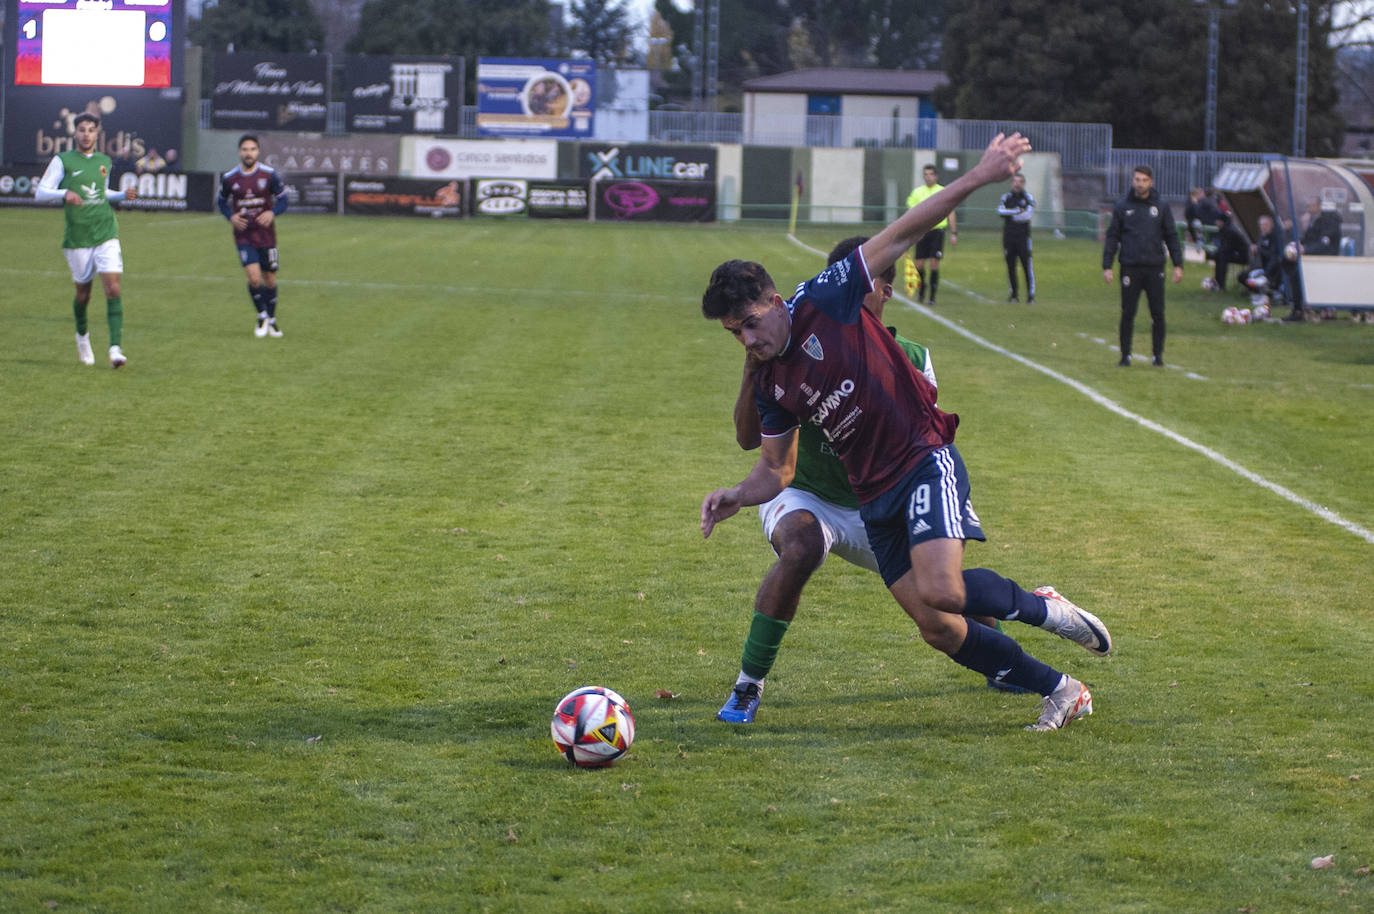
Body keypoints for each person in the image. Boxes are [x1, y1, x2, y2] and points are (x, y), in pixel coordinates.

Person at [701, 133, 1113, 733]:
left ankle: (1042, 607)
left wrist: (978, 176)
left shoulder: (827, 296)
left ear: (774, 299)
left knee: (943, 590)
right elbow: (776, 470)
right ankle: (1061, 690)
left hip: (922, 461)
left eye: (751, 324)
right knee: (936, 624)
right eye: (734, 333)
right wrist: (737, 495)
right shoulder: (770, 380)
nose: (747, 339)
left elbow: (905, 228)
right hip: (872, 496)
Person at [718, 236, 1023, 725]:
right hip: (806, 493)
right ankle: (747, 686)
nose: (865, 297)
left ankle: (1006, 659)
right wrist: (754, 364)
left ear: (884, 291)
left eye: (873, 287)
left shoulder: (912, 356)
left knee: (942, 597)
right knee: (800, 548)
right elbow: (750, 442)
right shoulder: (787, 352)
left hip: (878, 497)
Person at [33, 112, 138, 368]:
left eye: (91, 129)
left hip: (105, 232)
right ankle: (82, 337)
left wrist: (121, 195)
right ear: (75, 132)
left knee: (113, 288)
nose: (86, 134)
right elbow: (39, 193)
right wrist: (64, 193)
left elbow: (100, 193)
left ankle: (115, 350)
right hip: (78, 238)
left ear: (97, 133)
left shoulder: (104, 160)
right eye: (82, 129)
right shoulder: (63, 160)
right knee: (83, 295)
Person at [1102, 165, 1184, 367]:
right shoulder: (1122, 207)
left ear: (1151, 182)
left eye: (1144, 180)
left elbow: (1171, 236)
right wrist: (1107, 265)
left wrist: (1177, 264)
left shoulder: (1161, 207)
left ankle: (1158, 356)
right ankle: (1125, 356)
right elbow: (1113, 236)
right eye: (1137, 179)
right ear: (1133, 181)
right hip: (1130, 267)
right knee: (1128, 312)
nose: (1140, 183)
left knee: (1158, 313)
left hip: (1155, 267)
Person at [218, 135, 288, 338]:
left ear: (258, 151)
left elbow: (284, 200)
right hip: (244, 234)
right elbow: (221, 202)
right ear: (240, 152)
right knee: (254, 277)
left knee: (270, 278)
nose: (249, 153)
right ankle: (261, 314)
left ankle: (272, 320)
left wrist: (272, 212)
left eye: (252, 149)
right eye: (245, 149)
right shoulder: (230, 178)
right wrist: (230, 216)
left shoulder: (269, 174)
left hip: (267, 235)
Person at [905, 165, 956, 305]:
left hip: (937, 231)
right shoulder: (917, 192)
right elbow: (911, 212)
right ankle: (922, 291)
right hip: (922, 231)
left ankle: (932, 297)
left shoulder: (942, 191)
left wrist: (954, 232)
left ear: (936, 176)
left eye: (931, 174)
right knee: (919, 264)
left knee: (934, 263)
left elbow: (950, 211)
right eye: (925, 174)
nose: (928, 177)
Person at [997, 172, 1035, 303]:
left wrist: (1013, 214)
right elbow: (1000, 211)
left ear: (1023, 184)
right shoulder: (1006, 197)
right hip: (1009, 237)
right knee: (1010, 266)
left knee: (1026, 266)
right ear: (1011, 183)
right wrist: (1017, 211)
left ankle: (1030, 295)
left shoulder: (1028, 197)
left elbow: (1028, 215)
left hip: (1023, 238)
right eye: (1014, 181)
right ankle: (1014, 294)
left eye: (1019, 181)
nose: (1016, 184)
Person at [1209, 214, 1250, 292]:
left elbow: (1228, 248)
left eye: (1217, 221)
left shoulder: (1229, 231)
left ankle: (1221, 284)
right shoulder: (1224, 230)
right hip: (1234, 253)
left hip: (1243, 256)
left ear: (1222, 222)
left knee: (1222, 258)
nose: (1216, 223)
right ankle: (1217, 282)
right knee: (1219, 256)